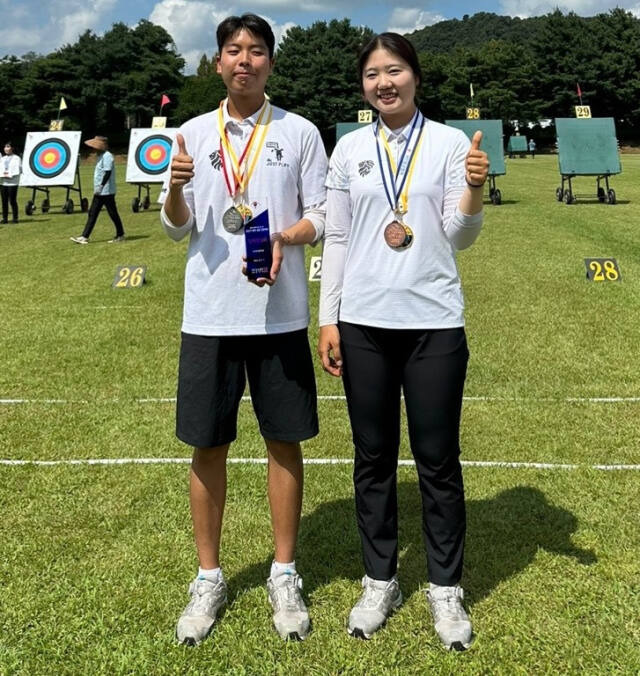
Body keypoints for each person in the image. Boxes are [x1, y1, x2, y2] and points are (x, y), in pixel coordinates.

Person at [318, 33, 489, 651]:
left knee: (438, 461)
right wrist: (328, 318)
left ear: (415, 76)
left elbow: (458, 235)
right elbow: (336, 240)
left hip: (434, 322)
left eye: (394, 71)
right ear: (363, 84)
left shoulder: (446, 143)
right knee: (372, 459)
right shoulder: (349, 148)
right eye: (372, 74)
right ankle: (379, 577)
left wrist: (472, 186)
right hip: (363, 324)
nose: (383, 82)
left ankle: (446, 588)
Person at [160, 13, 327, 646]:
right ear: (218, 62)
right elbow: (178, 228)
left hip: (279, 315)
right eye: (233, 50)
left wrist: (284, 235)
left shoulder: (301, 132)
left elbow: (319, 215)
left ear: (270, 64)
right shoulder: (193, 133)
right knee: (208, 446)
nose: (245, 60)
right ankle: (209, 577)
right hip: (209, 316)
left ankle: (284, 572)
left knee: (285, 441)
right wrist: (176, 192)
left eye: (257, 51)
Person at [70, 136, 125, 244]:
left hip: (106, 191)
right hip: (100, 192)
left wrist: (101, 185)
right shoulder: (101, 156)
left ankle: (120, 234)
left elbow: (107, 172)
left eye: (95, 147)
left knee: (112, 213)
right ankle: (84, 236)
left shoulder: (107, 156)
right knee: (92, 213)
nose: (93, 149)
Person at [1, 142, 21, 224]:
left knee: (12, 200)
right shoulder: (2, 158)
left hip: (12, 182)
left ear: (12, 148)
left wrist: (10, 175)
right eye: (5, 147)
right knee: (4, 201)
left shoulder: (17, 158)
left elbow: (18, 169)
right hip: (3, 182)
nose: (6, 148)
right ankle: (5, 218)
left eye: (8, 146)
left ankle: (15, 218)